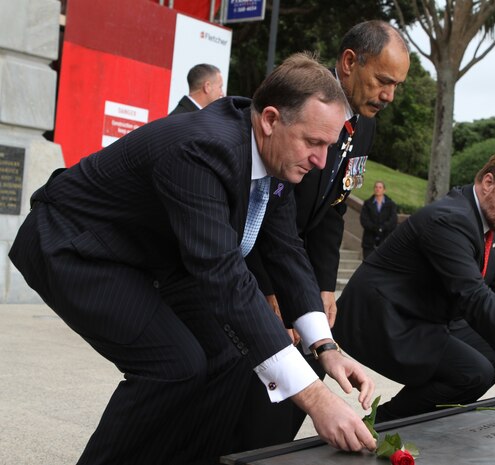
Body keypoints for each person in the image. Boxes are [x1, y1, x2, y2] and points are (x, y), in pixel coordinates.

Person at [8, 53, 377, 464]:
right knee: (174, 364)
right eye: (313, 142)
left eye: (327, 145)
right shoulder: (203, 148)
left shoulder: (274, 155)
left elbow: (286, 249)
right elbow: (222, 275)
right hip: (75, 244)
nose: (321, 160)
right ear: (271, 119)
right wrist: (315, 398)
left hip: (149, 255)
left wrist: (325, 347)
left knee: (235, 355)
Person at [239, 20, 410, 449]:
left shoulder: (364, 126)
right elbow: (260, 204)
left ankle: (259, 451)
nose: (389, 95)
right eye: (383, 81)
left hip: (296, 263)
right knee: (259, 365)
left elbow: (335, 209)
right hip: (255, 256)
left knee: (311, 360)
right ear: (350, 62)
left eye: (396, 85)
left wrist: (322, 287)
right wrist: (269, 287)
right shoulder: (302, 104)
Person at [333, 144, 495, 423]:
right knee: (473, 371)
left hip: (426, 314)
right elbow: (474, 297)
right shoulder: (449, 219)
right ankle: (382, 424)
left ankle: (420, 414)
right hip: (384, 319)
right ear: (488, 182)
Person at [360, 180, 398, 258]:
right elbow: (364, 220)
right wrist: (375, 228)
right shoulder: (367, 204)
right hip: (369, 241)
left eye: (380, 187)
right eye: (376, 187)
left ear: (384, 190)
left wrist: (382, 228)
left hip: (385, 241)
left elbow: (393, 220)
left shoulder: (391, 204)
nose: (377, 189)